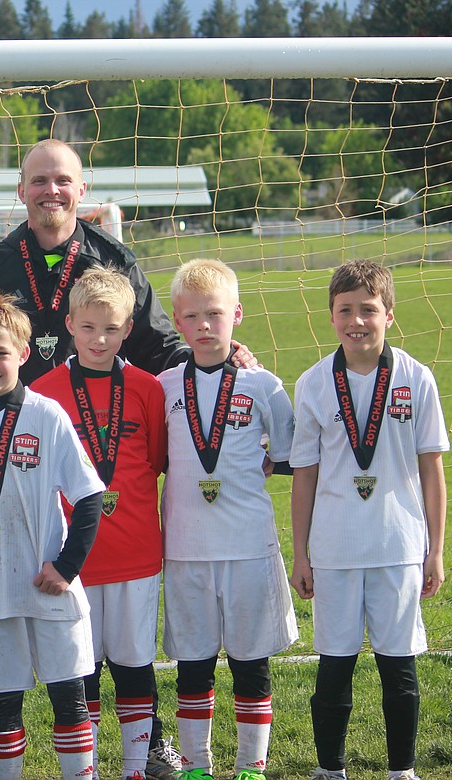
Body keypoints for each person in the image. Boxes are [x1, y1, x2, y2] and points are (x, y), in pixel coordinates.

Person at [290, 260, 448, 780]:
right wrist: (301, 554)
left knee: (397, 666)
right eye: (345, 311)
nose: (357, 321)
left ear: (390, 315)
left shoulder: (416, 378)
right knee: (334, 663)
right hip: (334, 550)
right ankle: (330, 770)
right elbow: (305, 477)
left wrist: (436, 549)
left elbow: (432, 470)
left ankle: (401, 769)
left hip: (399, 546)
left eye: (369, 310)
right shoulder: (313, 383)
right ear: (331, 316)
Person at [0, 291, 104, 780]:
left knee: (68, 698)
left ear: (23, 354)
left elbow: (90, 496)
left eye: (1, 353)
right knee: (3, 704)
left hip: (47, 583)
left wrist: (68, 566)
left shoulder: (46, 415)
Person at [157, 259, 298, 780]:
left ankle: (250, 766)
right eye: (193, 316)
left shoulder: (265, 386)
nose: (205, 325)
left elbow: (285, 454)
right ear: (177, 321)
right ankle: (196, 765)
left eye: (215, 313)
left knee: (249, 662)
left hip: (248, 546)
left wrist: (264, 457)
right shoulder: (164, 386)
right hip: (186, 549)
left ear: (236, 314)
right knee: (192, 665)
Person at [31, 267, 173, 780]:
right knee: (81, 671)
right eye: (88, 327)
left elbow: (154, 459)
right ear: (69, 324)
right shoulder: (44, 394)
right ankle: (86, 770)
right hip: (76, 561)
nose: (99, 339)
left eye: (111, 329)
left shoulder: (147, 389)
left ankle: (136, 767)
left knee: (136, 666)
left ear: (129, 328)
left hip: (137, 553)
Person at [0, 139, 189, 386]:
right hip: (14, 419)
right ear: (21, 191)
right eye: (39, 180)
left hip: (97, 419)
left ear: (81, 190)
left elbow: (158, 347)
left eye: (63, 180)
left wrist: (217, 357)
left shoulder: (114, 263)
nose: (52, 190)